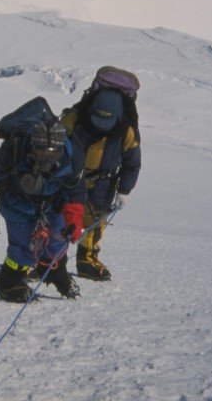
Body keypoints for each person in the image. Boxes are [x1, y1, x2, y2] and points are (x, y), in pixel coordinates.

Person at [0, 118, 86, 302]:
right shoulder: (15, 150)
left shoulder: (72, 157)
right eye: (41, 153)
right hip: (17, 204)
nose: (46, 159)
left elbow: (76, 190)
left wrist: (74, 218)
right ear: (32, 146)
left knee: (58, 241)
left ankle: (53, 270)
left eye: (52, 155)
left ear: (61, 149)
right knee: (24, 250)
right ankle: (9, 283)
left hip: (53, 206)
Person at [60, 79, 141, 282]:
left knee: (96, 219)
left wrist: (124, 190)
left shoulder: (126, 131)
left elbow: (132, 163)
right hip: (70, 177)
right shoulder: (74, 119)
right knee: (61, 216)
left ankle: (87, 260)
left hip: (104, 181)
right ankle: (49, 260)